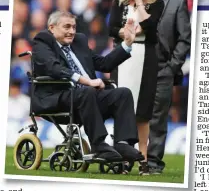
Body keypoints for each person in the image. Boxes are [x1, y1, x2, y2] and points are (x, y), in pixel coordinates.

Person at [32, 10, 144, 164]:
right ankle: (98, 145)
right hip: (58, 97)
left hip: (87, 96)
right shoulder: (42, 42)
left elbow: (104, 64)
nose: (71, 31)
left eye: (74, 27)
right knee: (87, 90)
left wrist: (127, 43)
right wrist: (87, 81)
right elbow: (53, 68)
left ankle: (123, 144)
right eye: (66, 27)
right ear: (52, 28)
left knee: (122, 93)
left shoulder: (79, 42)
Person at [108, 0, 164, 175]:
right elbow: (111, 28)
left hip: (145, 57)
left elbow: (150, 29)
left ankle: (142, 159)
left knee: (142, 113)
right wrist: (126, 33)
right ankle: (123, 157)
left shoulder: (156, 4)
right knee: (122, 110)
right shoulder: (119, 2)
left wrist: (140, 0)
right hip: (123, 55)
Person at [142, 0, 191, 174]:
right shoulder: (134, 0)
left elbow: (184, 38)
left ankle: (152, 164)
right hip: (137, 67)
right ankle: (128, 159)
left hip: (163, 69)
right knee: (130, 114)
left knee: (158, 118)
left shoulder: (177, 1)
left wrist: (172, 67)